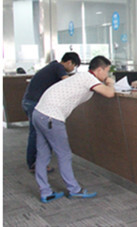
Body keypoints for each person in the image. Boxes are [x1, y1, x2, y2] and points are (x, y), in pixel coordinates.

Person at [32, 55, 115, 203]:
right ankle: (74, 190)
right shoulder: (88, 78)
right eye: (106, 71)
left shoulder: (81, 76)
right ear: (99, 70)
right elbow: (110, 93)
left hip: (39, 113)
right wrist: (111, 83)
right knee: (64, 155)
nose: (107, 74)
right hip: (51, 117)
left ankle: (45, 192)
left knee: (43, 155)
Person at [22, 52, 81, 173]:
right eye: (74, 66)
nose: (72, 69)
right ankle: (34, 164)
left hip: (29, 102)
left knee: (37, 134)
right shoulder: (58, 67)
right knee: (37, 134)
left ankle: (36, 163)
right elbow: (68, 83)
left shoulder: (53, 66)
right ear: (69, 62)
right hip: (34, 103)